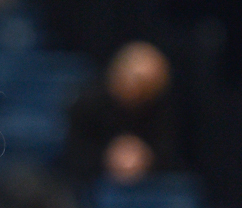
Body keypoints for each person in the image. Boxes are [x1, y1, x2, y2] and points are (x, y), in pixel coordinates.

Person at [64, 40, 184, 186]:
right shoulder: (88, 103)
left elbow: (169, 152)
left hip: (149, 182)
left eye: (147, 86)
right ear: (117, 73)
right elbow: (76, 155)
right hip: (93, 182)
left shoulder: (160, 108)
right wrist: (108, 158)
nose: (138, 91)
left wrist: (145, 157)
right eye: (136, 80)